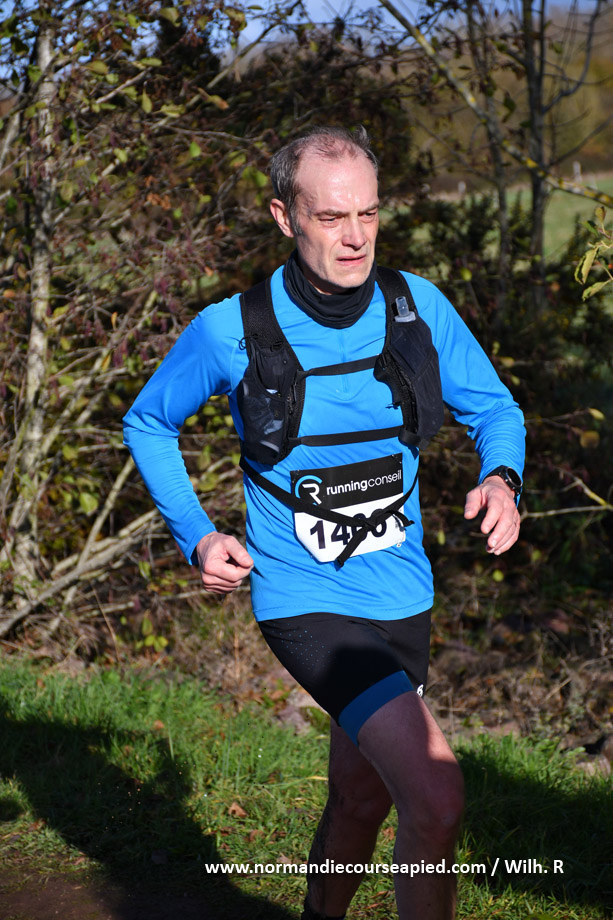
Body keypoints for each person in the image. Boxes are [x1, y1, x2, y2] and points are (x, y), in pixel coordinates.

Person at [123, 126, 525, 920]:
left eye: (367, 215)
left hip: (402, 595)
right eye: (331, 217)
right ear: (284, 216)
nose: (354, 237)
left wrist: (501, 479)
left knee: (360, 799)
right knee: (437, 795)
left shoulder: (417, 308)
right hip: (306, 599)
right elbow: (148, 421)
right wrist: (196, 533)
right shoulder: (231, 329)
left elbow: (495, 409)